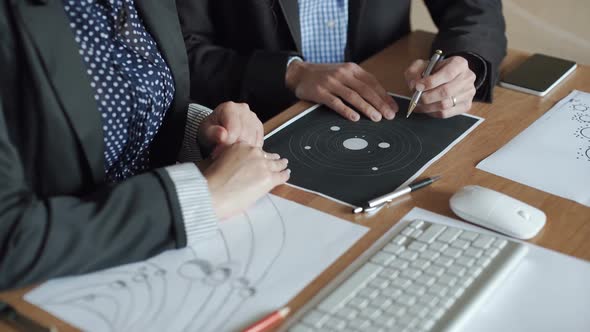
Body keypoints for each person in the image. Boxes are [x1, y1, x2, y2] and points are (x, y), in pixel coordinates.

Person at [0, 0, 289, 291]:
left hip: (155, 262)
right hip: (56, 285)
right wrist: (204, 197)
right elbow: (9, 238)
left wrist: (200, 129)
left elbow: (114, 105)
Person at [176, 0, 506, 122]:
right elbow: (179, 54)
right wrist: (290, 73)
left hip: (391, 100)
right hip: (260, 120)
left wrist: (466, 63)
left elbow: (473, 7)